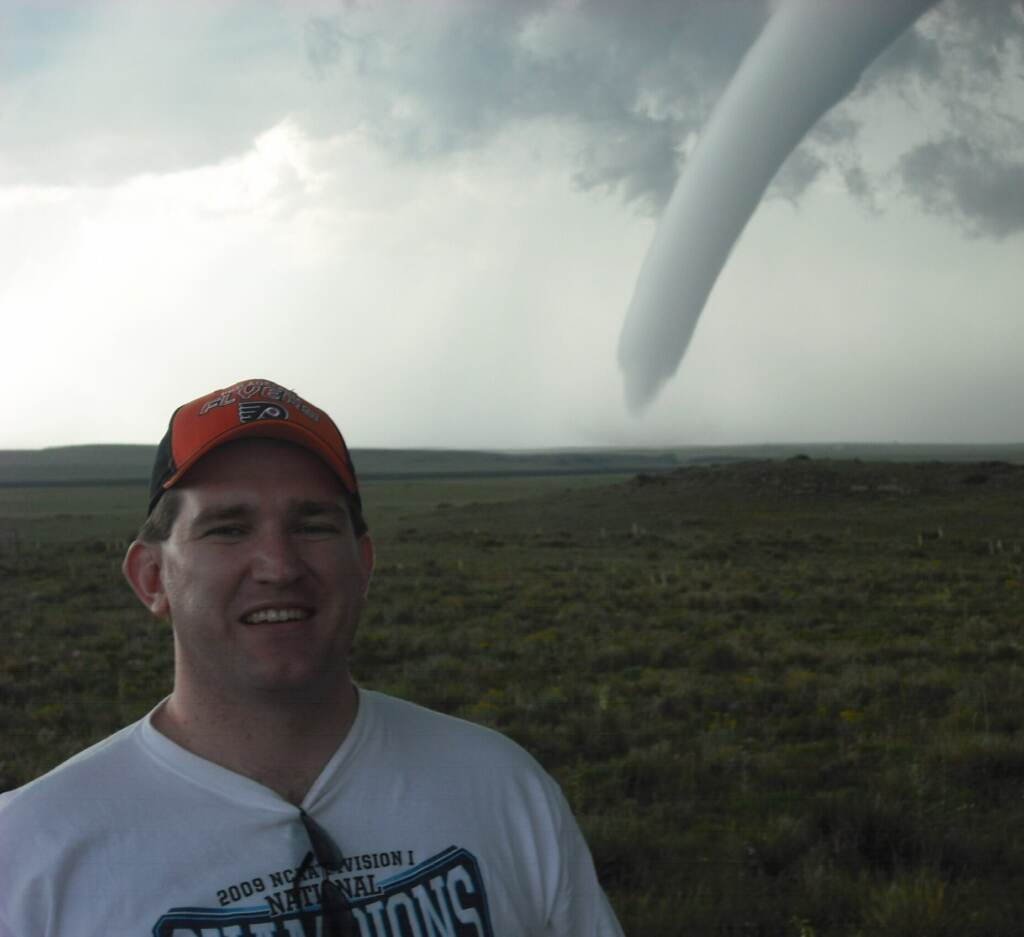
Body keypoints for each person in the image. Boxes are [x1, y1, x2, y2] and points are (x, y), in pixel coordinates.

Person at [0, 378, 624, 937]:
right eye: (228, 528)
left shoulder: (503, 787)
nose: (279, 566)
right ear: (152, 578)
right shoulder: (30, 854)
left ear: (365, 563)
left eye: (314, 525)